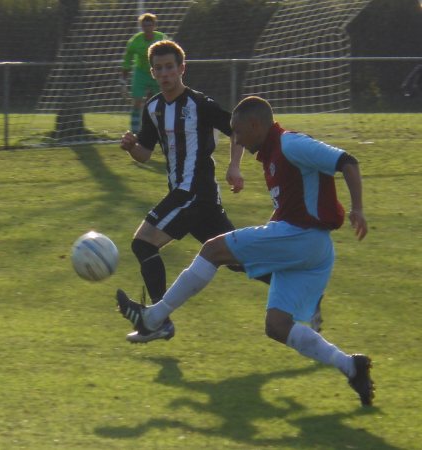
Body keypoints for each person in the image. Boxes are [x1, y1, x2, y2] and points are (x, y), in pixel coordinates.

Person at [116, 95, 375, 406]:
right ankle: (351, 366)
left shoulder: (291, 144)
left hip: (303, 237)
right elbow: (293, 203)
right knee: (277, 326)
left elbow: (346, 160)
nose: (235, 139)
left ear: (255, 125)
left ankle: (154, 317)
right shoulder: (271, 155)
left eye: (237, 132)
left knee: (213, 250)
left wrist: (358, 209)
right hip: (312, 248)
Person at [120, 40, 272, 344]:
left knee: (142, 243)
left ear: (182, 69)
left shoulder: (200, 104)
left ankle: (158, 320)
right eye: (159, 69)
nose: (165, 74)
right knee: (235, 260)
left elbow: (238, 131)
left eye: (170, 67)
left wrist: (235, 167)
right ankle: (298, 283)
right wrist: (131, 147)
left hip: (194, 192)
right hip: (194, 197)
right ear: (152, 72)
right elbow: (146, 154)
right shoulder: (153, 108)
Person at [121, 13, 168, 133]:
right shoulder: (135, 41)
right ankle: (135, 132)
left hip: (157, 72)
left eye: (150, 25)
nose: (147, 28)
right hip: (140, 73)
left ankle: (161, 129)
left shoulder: (162, 39)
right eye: (145, 25)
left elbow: (172, 54)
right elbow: (127, 59)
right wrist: (123, 80)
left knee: (162, 101)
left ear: (154, 26)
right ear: (141, 26)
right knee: (137, 101)